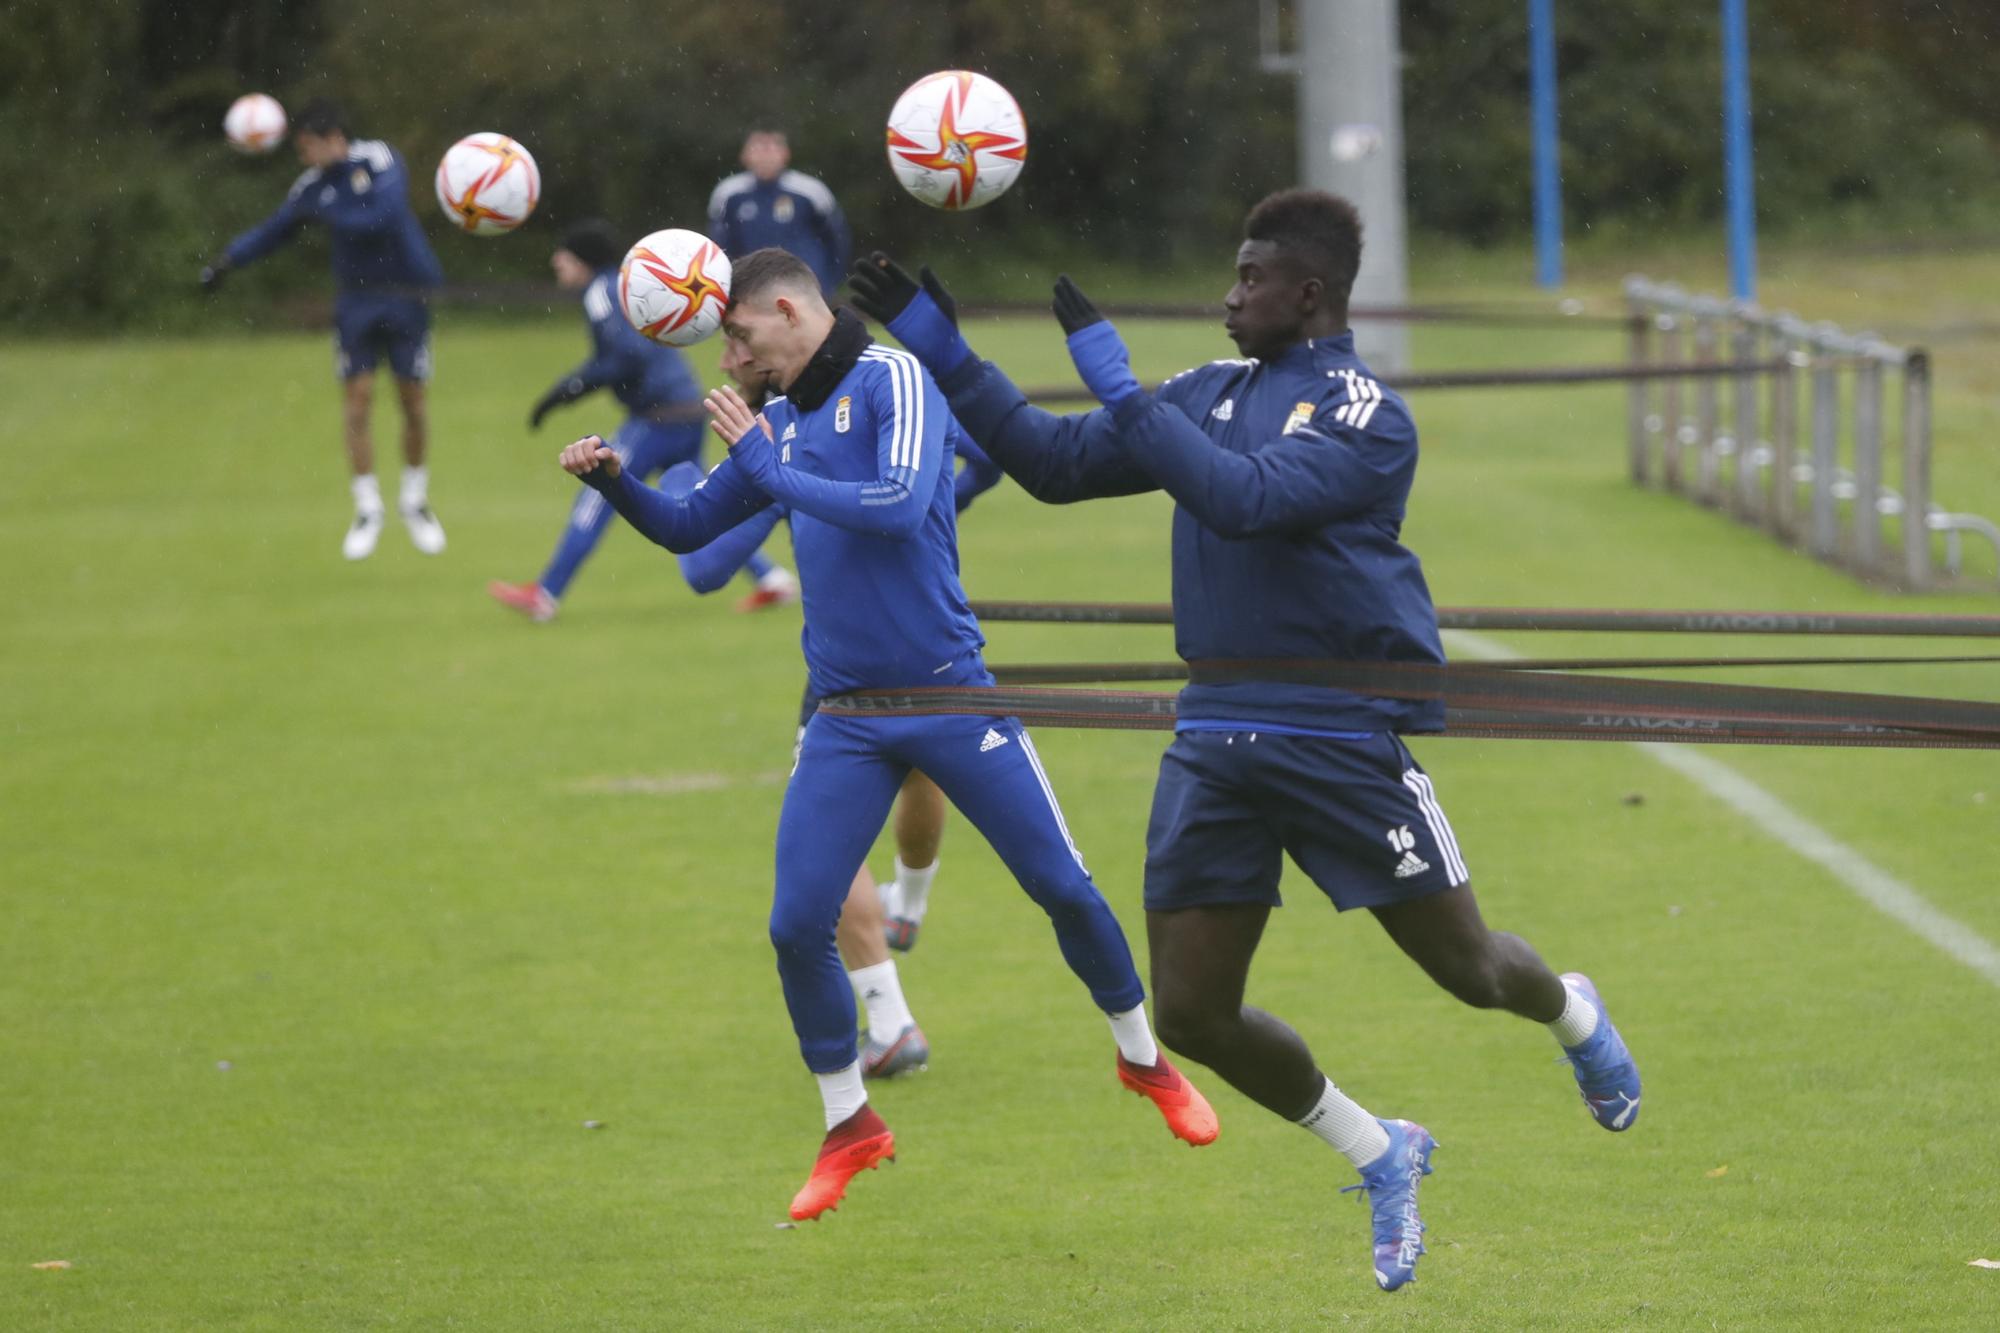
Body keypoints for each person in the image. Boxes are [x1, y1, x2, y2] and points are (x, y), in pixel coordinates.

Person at [847, 189, 1642, 1292]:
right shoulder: (1207, 390)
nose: (1228, 300)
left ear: (1306, 293)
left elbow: (1242, 500)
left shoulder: (1368, 415)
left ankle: (1571, 1013)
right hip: (1215, 730)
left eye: (1249, 280)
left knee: (1467, 970)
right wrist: (937, 342)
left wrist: (1122, 385)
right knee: (1188, 1012)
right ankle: (1379, 1149)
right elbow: (1051, 463)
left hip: (1336, 731)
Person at [556, 248, 1216, 1222]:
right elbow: (690, 533)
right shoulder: (777, 416)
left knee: (1061, 887)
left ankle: (1144, 1060)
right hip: (846, 718)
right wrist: (613, 481)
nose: (729, 358)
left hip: (950, 694)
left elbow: (902, 505)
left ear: (785, 310)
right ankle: (849, 1123)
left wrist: (772, 467)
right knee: (793, 924)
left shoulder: (893, 377)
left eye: (736, 334)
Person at [656, 328, 1001, 1075]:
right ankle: (910, 902)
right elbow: (991, 452)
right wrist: (941, 498)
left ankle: (891, 1017)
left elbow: (705, 569)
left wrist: (689, 489)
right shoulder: (889, 392)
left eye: (736, 342)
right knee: (920, 769)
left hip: (846, 676)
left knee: (828, 836)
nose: (726, 360)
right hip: (932, 648)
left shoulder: (778, 444)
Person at [488, 220, 795, 622]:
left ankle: (545, 593)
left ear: (583, 260)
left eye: (564, 255)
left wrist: (567, 390)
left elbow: (625, 356)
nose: (556, 262)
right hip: (687, 406)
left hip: (658, 414)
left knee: (598, 493)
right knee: (706, 503)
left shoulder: (601, 291)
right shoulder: (622, 286)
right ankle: (770, 577)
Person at [201, 97, 446, 561]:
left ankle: (414, 502)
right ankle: (368, 507)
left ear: (334, 140)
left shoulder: (380, 159)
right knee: (357, 403)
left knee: (412, 402)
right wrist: (227, 261)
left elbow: (384, 215)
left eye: (308, 147)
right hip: (355, 305)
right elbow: (275, 230)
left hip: (406, 297)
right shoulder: (311, 186)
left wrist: (329, 212)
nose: (304, 158)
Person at [708, 128, 851, 298]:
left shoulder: (810, 191)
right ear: (745, 155)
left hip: (803, 286)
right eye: (759, 147)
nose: (766, 155)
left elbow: (837, 239)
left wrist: (830, 280)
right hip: (751, 288)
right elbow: (718, 243)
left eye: (773, 148)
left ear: (785, 154)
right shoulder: (728, 193)